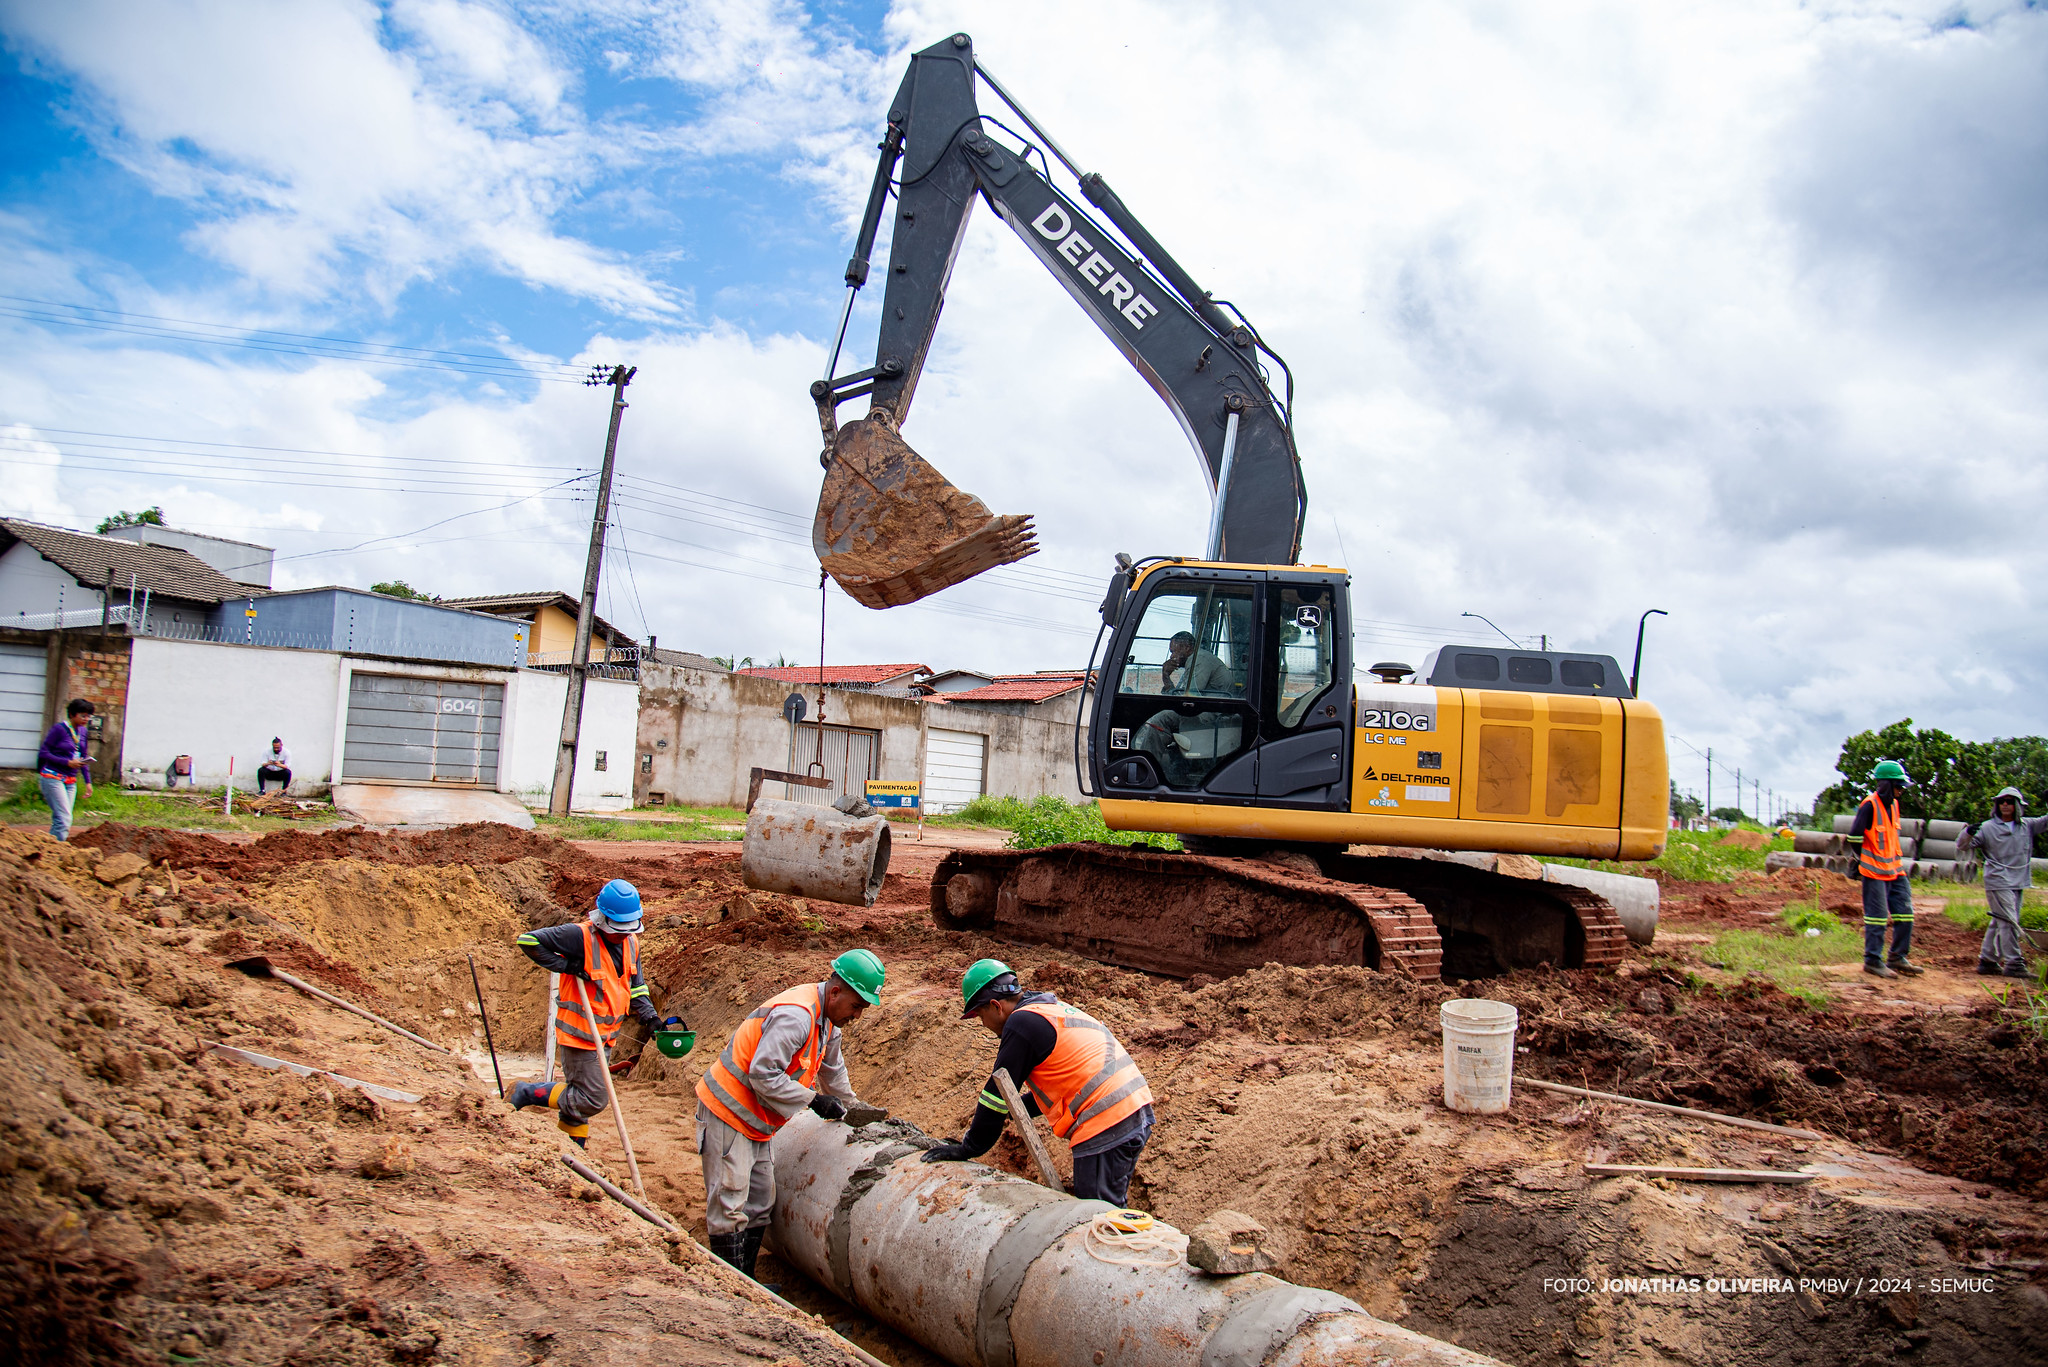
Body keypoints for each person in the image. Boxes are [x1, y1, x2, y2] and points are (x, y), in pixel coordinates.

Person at [694, 949, 883, 1280]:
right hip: (727, 1112)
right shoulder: (797, 1016)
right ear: (836, 991)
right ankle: (730, 1293)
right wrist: (813, 1101)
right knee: (730, 1203)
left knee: (759, 1201)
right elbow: (763, 1075)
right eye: (856, 1006)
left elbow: (833, 1071)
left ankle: (747, 1283)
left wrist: (851, 1106)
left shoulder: (829, 1023)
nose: (857, 1016)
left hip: (758, 1122)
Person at [922, 959, 1155, 1206]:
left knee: (1097, 1217)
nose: (983, 1024)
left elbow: (997, 1095)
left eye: (980, 1015)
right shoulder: (1049, 1009)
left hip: (1106, 1121)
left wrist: (969, 1148)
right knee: (1110, 1208)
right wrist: (1016, 1110)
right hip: (1132, 1109)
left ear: (995, 1006)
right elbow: (1066, 1082)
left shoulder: (1021, 1023)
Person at [506, 880, 663, 1146]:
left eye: (628, 929)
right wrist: (567, 965)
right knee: (592, 1098)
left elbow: (636, 986)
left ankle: (572, 1152)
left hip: (606, 1035)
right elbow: (528, 940)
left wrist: (650, 1017)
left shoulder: (631, 943)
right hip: (580, 1035)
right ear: (603, 919)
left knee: (579, 1098)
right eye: (618, 930)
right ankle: (526, 1092)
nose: (623, 934)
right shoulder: (579, 936)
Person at [1960, 787, 2047, 979]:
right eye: (2001, 801)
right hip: (1998, 880)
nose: (2005, 805)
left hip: (2018, 880)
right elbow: (1962, 847)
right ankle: (2014, 963)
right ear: (1996, 805)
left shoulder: (2027, 826)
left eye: (2009, 801)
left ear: (2018, 805)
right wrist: (1967, 833)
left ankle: (1988, 961)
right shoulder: (1988, 828)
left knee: (1999, 921)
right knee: (2009, 922)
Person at [1846, 761, 1922, 979]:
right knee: (1877, 918)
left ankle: (1897, 956)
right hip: (1873, 871)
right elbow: (1854, 836)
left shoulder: (1894, 805)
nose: (1901, 790)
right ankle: (1872, 960)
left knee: (1905, 914)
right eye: (1898, 786)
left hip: (1895, 869)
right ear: (1886, 784)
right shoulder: (1869, 805)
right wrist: (1861, 859)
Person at [37, 699, 94, 841]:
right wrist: (67, 762)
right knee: (64, 818)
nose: (86, 719)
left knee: (61, 818)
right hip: (53, 777)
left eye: (88, 716)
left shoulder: (83, 732)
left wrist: (88, 781)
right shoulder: (59, 729)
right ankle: (57, 850)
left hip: (70, 781)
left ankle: (50, 848)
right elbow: (44, 753)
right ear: (73, 715)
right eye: (83, 716)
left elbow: (83, 756)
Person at [1160, 631, 1231, 696]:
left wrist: (1166, 677)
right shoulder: (1191, 662)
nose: (1171, 656)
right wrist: (1166, 676)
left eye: (1173, 651)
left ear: (1187, 648)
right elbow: (1178, 696)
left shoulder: (1199, 660)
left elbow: (1189, 696)